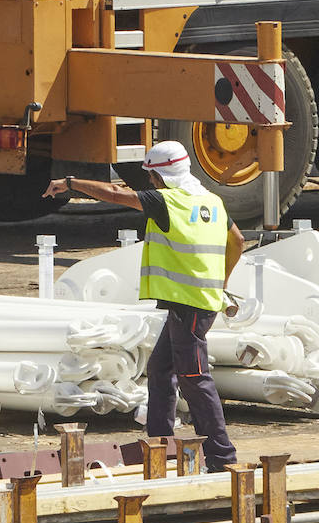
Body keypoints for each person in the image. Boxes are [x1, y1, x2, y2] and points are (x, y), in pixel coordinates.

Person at [42, 140, 246, 472]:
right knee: (161, 369)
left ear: (160, 176)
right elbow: (237, 241)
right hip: (200, 302)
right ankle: (159, 445)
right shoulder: (212, 201)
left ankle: (222, 456)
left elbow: (114, 192)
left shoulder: (166, 201)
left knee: (194, 377)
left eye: (151, 176)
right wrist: (221, 282)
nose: (149, 182)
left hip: (188, 306)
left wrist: (70, 184)